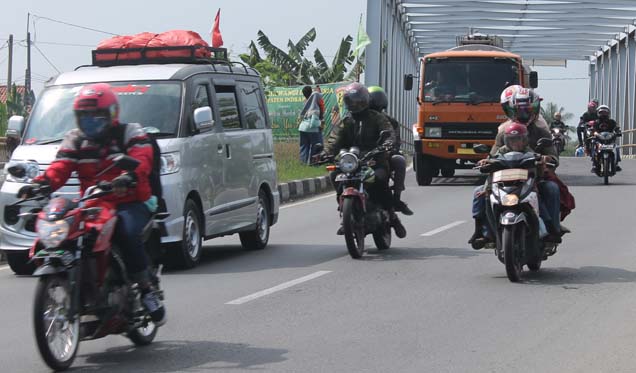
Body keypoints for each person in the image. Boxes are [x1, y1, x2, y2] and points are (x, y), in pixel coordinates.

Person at [18, 83, 166, 324]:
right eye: (84, 116)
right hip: (92, 203)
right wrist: (40, 184)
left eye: (95, 115)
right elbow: (60, 167)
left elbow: (142, 159)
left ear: (111, 114)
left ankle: (146, 289)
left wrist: (127, 177)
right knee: (68, 232)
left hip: (130, 200)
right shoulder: (75, 139)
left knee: (126, 233)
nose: (89, 121)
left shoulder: (130, 133)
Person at [470, 88, 566, 249]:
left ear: (534, 110)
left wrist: (546, 159)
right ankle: (482, 231)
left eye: (526, 110)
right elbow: (493, 155)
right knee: (479, 193)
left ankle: (552, 228)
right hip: (504, 177)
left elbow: (553, 157)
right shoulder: (503, 132)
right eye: (519, 110)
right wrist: (486, 162)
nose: (523, 114)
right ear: (512, 110)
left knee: (552, 189)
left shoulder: (542, 131)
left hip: (534, 177)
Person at [321, 82, 407, 238]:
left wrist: (386, 144)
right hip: (352, 160)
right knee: (334, 175)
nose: (355, 104)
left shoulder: (377, 118)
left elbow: (388, 133)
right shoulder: (346, 122)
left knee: (380, 180)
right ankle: (344, 210)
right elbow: (334, 140)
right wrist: (325, 153)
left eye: (358, 100)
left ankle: (392, 216)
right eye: (351, 101)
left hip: (375, 159)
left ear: (366, 100)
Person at [367, 85, 413, 216]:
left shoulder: (390, 122)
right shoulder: (356, 121)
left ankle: (396, 198)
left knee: (399, 160)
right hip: (361, 158)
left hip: (380, 156)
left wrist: (388, 150)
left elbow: (395, 141)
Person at [590, 104, 622, 173]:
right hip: (599, 139)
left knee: (616, 147)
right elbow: (592, 129)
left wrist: (618, 132)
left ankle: (616, 164)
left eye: (605, 112)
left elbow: (616, 128)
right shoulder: (596, 122)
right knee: (593, 143)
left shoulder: (612, 122)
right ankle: (594, 164)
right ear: (598, 113)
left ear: (608, 113)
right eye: (601, 112)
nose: (603, 114)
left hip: (610, 140)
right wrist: (593, 132)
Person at [298, 85, 322, 164]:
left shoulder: (305, 102)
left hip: (302, 127)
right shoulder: (314, 103)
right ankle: (314, 164)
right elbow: (318, 96)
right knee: (316, 147)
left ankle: (303, 164)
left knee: (304, 147)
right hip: (312, 128)